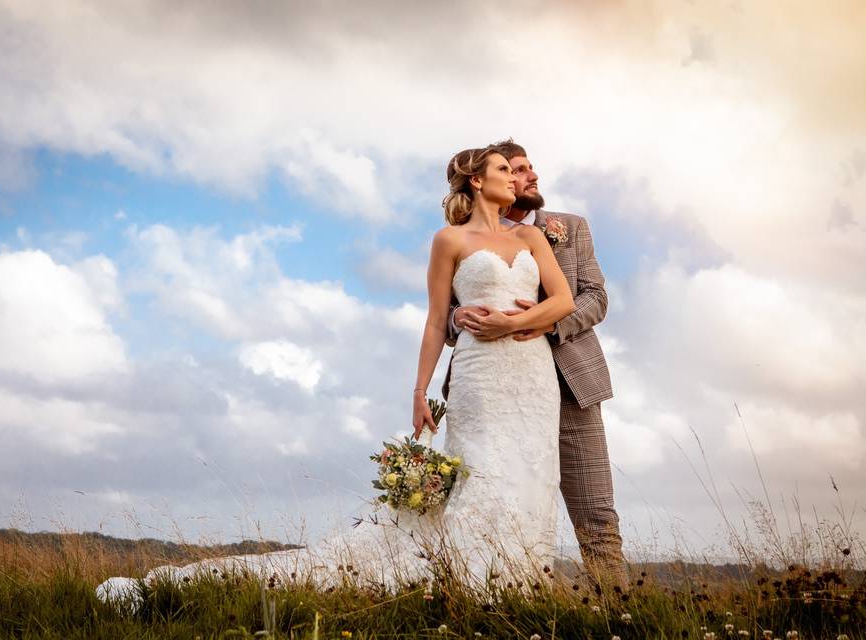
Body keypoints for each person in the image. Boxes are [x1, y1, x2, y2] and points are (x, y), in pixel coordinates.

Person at [96, 146, 576, 605]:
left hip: (532, 377)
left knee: (531, 475)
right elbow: (435, 320)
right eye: (503, 170)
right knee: (483, 474)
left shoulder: (530, 238)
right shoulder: (449, 240)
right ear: (477, 180)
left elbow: (563, 302)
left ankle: (518, 587)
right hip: (480, 377)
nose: (516, 179)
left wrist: (512, 322)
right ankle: (473, 584)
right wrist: (419, 391)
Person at [444, 139, 629, 591]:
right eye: (518, 169)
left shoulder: (569, 227)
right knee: (487, 499)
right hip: (491, 390)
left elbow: (596, 297)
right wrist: (457, 316)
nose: (529, 176)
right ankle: (483, 597)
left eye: (529, 169)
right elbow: (448, 314)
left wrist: (543, 324)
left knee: (596, 513)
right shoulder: (467, 234)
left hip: (569, 387)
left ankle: (622, 614)